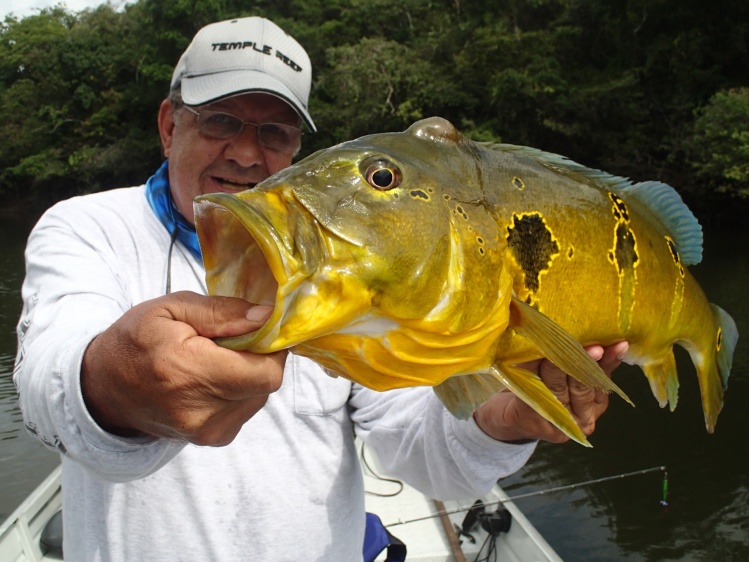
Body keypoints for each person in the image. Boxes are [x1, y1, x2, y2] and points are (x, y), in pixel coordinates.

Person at [14, 16, 628, 561]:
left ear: (299, 150)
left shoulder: (350, 265)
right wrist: (114, 387)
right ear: (170, 125)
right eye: (223, 121)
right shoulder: (87, 226)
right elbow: (48, 381)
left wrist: (512, 419)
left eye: (275, 133)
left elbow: (417, 450)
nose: (249, 154)